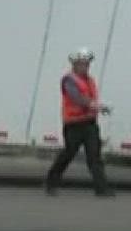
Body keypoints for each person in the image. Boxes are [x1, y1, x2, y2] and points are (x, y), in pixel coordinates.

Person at [45, 47, 113, 197]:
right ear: (74, 64)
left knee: (94, 157)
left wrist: (98, 107)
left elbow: (90, 100)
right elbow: (76, 98)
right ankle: (51, 182)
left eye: (87, 64)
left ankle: (102, 189)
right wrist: (94, 105)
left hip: (89, 123)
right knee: (69, 153)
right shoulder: (69, 80)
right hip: (73, 124)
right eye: (82, 63)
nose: (85, 66)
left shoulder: (90, 80)